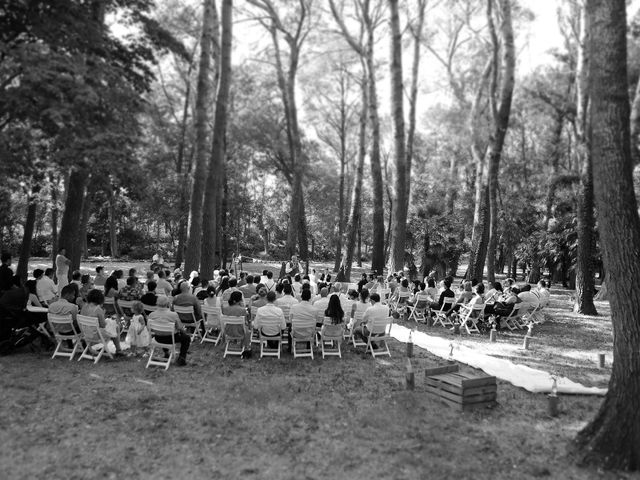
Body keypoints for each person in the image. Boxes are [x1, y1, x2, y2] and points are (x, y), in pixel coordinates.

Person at [80, 289, 124, 356]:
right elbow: (103, 325)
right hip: (95, 335)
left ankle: (117, 350)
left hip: (85, 333)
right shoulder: (98, 309)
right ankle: (118, 350)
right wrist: (103, 315)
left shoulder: (84, 307)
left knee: (112, 325)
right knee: (115, 326)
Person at [148, 296, 190, 366]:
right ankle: (182, 357)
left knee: (162, 331)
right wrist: (183, 331)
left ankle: (166, 353)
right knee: (186, 338)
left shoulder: (151, 315)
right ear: (168, 304)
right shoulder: (173, 315)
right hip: (171, 338)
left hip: (158, 338)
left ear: (157, 304)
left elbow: (148, 328)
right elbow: (180, 327)